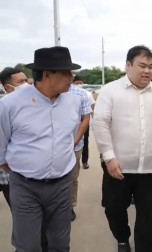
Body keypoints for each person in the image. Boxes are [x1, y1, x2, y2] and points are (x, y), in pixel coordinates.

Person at [0, 46, 82, 251]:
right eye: (65, 72)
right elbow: (1, 146)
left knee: (60, 244)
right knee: (28, 245)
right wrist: (24, 169)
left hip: (62, 185)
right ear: (46, 74)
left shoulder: (73, 102)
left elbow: (68, 138)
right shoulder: (10, 104)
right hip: (26, 187)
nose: (70, 77)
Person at [92, 45, 152, 252]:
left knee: (148, 214)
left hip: (150, 167)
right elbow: (100, 124)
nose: (147, 71)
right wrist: (109, 157)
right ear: (128, 65)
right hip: (118, 167)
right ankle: (122, 238)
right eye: (142, 66)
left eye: (151, 67)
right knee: (113, 208)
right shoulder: (110, 91)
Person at [0, 67, 29, 208]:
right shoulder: (3, 107)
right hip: (8, 170)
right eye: (21, 81)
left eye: (26, 80)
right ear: (8, 87)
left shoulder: (31, 104)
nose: (26, 84)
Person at [68, 79, 92, 221]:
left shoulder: (81, 94)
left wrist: (75, 140)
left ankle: (70, 205)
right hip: (48, 149)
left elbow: (85, 119)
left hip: (75, 146)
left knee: (72, 178)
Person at [73, 75, 95, 169]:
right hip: (75, 123)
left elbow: (93, 106)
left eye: (80, 82)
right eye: (77, 82)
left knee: (85, 141)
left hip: (84, 122)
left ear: (83, 83)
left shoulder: (87, 94)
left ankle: (84, 161)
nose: (79, 84)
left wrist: (94, 120)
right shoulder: (69, 92)